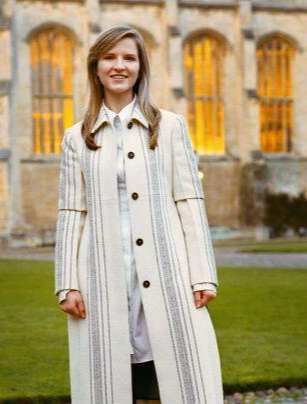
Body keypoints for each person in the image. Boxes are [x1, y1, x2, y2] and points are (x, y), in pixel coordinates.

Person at [54, 25, 223, 404]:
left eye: (129, 58)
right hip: (101, 276)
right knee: (109, 381)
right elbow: (72, 211)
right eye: (110, 58)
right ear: (96, 68)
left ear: (140, 68)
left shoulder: (170, 127)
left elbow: (189, 201)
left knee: (179, 379)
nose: (119, 66)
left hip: (168, 271)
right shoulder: (76, 138)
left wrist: (203, 275)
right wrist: (67, 283)